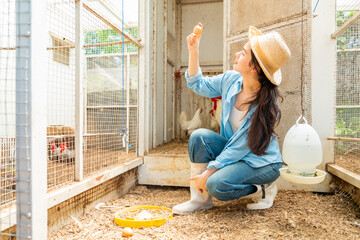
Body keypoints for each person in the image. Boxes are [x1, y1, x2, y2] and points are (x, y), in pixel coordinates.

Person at [172, 26, 291, 215]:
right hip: (235, 151)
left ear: (254, 68)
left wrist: (208, 173)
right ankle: (199, 200)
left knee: (216, 184)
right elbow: (197, 84)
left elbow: (239, 147)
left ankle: (261, 188)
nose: (237, 53)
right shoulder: (230, 80)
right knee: (198, 137)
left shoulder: (267, 106)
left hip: (261, 162)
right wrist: (194, 51)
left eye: (243, 53)